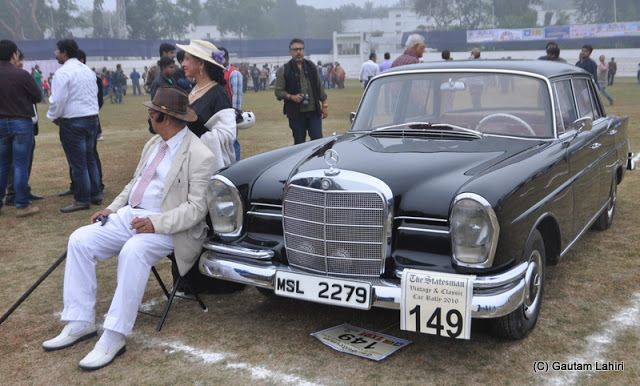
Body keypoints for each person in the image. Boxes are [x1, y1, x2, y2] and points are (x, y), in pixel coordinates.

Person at [41, 87, 215, 371]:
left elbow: (197, 210)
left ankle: (113, 337)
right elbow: (134, 184)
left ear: (167, 117)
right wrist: (110, 209)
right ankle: (80, 322)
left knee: (134, 250)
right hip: (130, 216)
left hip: (170, 228)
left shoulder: (200, 154)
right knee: (80, 239)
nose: (148, 116)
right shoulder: (154, 144)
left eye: (152, 112)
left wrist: (156, 223)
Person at [47, 39, 102, 213]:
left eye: (57, 51)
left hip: (74, 121)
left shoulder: (63, 73)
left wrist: (53, 116)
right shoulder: (87, 70)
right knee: (90, 159)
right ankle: (96, 194)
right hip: (92, 118)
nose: (56, 54)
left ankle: (81, 199)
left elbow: (59, 99)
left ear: (63, 52)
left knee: (78, 163)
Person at [176, 40, 236, 170]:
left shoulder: (218, 93)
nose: (183, 64)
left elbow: (228, 134)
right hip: (184, 162)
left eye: (187, 59)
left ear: (201, 63)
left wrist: (200, 134)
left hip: (205, 166)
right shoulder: (190, 92)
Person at [0, 40, 41, 218]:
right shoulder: (21, 75)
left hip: (1, 123)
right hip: (21, 123)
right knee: (20, 165)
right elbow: (37, 96)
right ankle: (22, 204)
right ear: (14, 55)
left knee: (2, 165)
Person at [275, 38, 328, 145]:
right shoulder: (284, 69)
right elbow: (278, 91)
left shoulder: (311, 66)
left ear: (304, 51)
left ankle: (317, 161)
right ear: (290, 52)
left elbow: (319, 87)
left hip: (313, 111)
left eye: (300, 49)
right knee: (299, 143)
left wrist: (324, 106)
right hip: (296, 113)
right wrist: (291, 97)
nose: (298, 52)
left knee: (318, 141)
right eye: (295, 50)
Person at [219, 46, 243, 161]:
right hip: (219, 113)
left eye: (220, 58)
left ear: (226, 58)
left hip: (230, 114)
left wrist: (235, 114)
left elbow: (237, 96)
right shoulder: (217, 72)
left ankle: (236, 166)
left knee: (232, 141)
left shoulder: (234, 73)